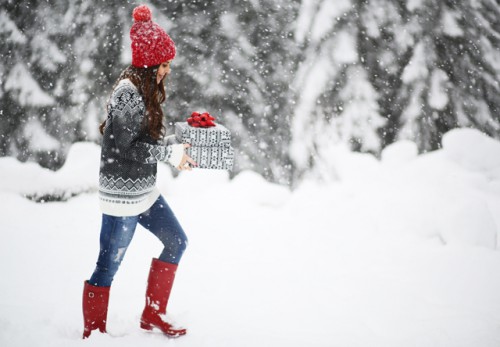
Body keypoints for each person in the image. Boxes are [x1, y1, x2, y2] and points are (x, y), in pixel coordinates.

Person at [82, 4, 196, 339]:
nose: (168, 71)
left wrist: (180, 143)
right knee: (108, 265)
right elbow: (127, 148)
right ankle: (94, 333)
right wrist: (167, 154)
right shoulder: (128, 93)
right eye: (164, 64)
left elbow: (146, 140)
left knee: (176, 241)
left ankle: (153, 313)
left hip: (143, 191)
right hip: (121, 195)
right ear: (150, 63)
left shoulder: (145, 91)